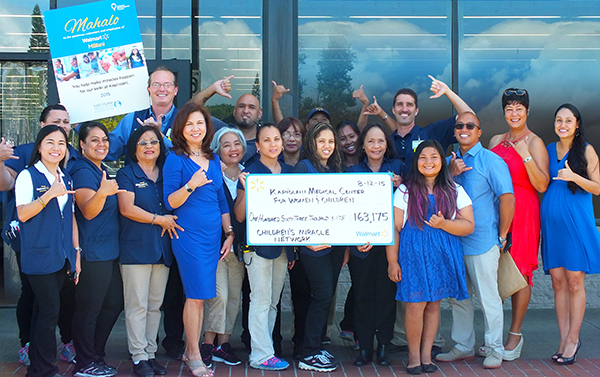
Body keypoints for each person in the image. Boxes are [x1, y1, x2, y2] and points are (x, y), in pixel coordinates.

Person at [435, 112, 515, 369]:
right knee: (459, 298)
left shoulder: (492, 160)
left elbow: (507, 198)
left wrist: (502, 236)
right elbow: (435, 195)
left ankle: (494, 348)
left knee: (488, 298)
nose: (464, 129)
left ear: (479, 132)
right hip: (454, 242)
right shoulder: (447, 162)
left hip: (482, 241)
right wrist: (449, 172)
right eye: (459, 126)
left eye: (470, 126)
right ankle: (463, 345)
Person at [0, 104, 78, 366]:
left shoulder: (64, 176)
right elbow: (22, 214)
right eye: (50, 142)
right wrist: (48, 195)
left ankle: (40, 364)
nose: (56, 147)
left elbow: (70, 219)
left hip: (61, 256)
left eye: (62, 143)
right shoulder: (27, 175)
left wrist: (76, 254)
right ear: (40, 146)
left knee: (45, 310)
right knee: (48, 310)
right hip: (38, 256)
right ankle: (43, 367)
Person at [387, 140, 474, 375]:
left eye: (434, 157)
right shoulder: (405, 190)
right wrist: (392, 261)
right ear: (416, 162)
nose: (428, 162)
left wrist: (444, 223)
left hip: (441, 256)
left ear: (441, 161)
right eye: (423, 157)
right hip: (412, 256)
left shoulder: (454, 189)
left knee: (434, 305)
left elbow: (468, 226)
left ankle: (427, 356)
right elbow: (394, 229)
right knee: (415, 306)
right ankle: (414, 357)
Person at [162, 102, 234, 377]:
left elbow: (220, 200)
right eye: (190, 123)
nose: (196, 128)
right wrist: (191, 184)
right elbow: (170, 202)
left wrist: (228, 234)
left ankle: (190, 348)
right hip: (188, 236)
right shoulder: (175, 159)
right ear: (181, 128)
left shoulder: (214, 158)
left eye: (200, 123)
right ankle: (194, 355)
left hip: (213, 236)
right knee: (195, 295)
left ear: (207, 128)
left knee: (201, 296)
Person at [116, 126, 181, 377]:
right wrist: (159, 219)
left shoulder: (166, 173)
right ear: (134, 148)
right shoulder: (126, 173)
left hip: (162, 249)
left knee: (155, 305)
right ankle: (138, 356)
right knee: (137, 306)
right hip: (136, 249)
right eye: (143, 143)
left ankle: (151, 353)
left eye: (154, 141)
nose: (149, 146)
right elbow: (127, 208)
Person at [489, 88, 549, 360]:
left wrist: (525, 154)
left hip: (524, 210)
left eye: (519, 108)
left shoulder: (534, 141)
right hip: (497, 210)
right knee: (496, 270)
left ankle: (514, 335)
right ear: (504, 112)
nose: (514, 113)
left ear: (527, 112)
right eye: (509, 109)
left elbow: (542, 184)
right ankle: (495, 335)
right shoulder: (496, 140)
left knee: (521, 271)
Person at [541, 103, 600, 365]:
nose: (562, 125)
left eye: (568, 120)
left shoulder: (586, 150)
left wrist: (574, 176)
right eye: (558, 120)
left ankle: (574, 340)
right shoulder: (548, 149)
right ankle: (564, 339)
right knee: (557, 281)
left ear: (577, 124)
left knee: (575, 279)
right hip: (553, 226)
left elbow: (597, 188)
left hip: (576, 224)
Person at [233, 123, 295, 371]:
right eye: (266, 140)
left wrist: (292, 250)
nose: (273, 144)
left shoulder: (291, 173)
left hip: (281, 248)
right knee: (259, 300)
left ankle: (266, 349)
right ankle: (259, 354)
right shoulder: (250, 173)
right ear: (257, 146)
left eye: (276, 139)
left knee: (272, 302)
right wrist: (246, 189)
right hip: (257, 248)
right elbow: (239, 216)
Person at [70, 121, 125, 377]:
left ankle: (95, 355)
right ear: (82, 144)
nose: (101, 144)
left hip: (108, 251)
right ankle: (84, 362)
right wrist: (103, 192)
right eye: (94, 140)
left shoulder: (101, 168)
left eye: (104, 139)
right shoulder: (82, 170)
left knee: (113, 303)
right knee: (90, 309)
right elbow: (88, 212)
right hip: (92, 253)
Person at [346, 123, 403, 367]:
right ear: (363, 145)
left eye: (380, 141)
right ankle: (364, 347)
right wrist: (351, 242)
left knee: (387, 297)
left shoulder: (397, 169)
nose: (376, 146)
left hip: (391, 246)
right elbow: (345, 211)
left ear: (386, 144)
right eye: (371, 141)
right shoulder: (352, 172)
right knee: (362, 296)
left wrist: (401, 185)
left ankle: (383, 346)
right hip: (362, 245)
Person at [293, 122, 345, 373]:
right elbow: (292, 208)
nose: (327, 146)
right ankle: (308, 352)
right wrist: (305, 240)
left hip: (334, 247)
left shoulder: (334, 169)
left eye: (331, 142)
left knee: (326, 297)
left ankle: (314, 346)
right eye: (322, 141)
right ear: (312, 142)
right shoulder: (303, 168)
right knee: (321, 296)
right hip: (313, 248)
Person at [200, 127, 247, 367]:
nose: (232, 148)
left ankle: (224, 344)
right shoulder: (209, 173)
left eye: (236, 143)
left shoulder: (249, 175)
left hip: (239, 248)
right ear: (217, 149)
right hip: (215, 246)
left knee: (234, 299)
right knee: (218, 296)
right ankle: (207, 344)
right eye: (226, 144)